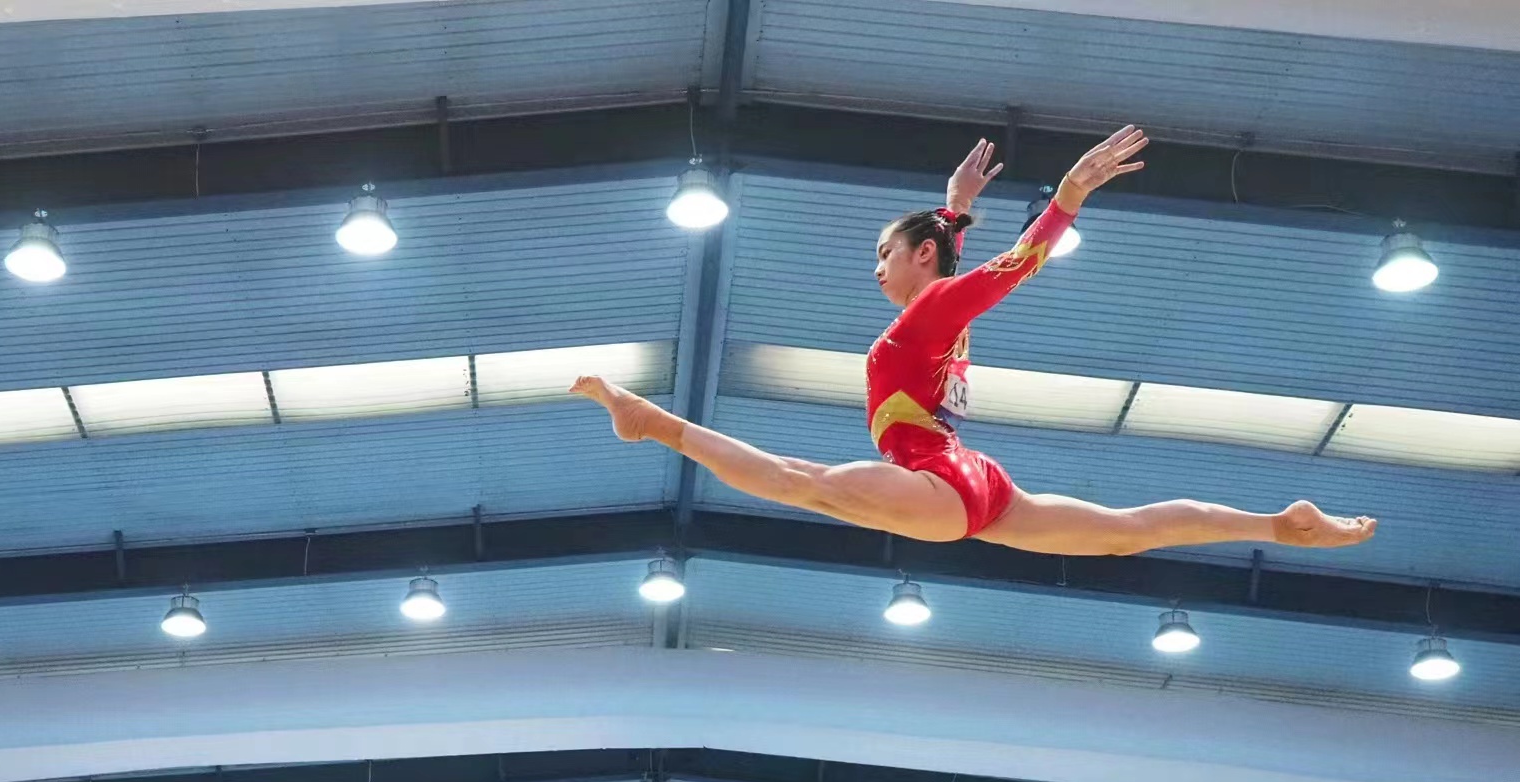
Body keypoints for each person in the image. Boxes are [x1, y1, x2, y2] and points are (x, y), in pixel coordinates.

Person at [571, 127, 1375, 555]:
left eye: (883, 253)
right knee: (1124, 533)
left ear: (919, 256)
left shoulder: (925, 314)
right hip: (975, 484)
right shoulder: (939, 314)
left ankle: (652, 421)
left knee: (799, 482)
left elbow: (1015, 263)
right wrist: (952, 210)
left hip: (937, 480)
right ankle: (1277, 525)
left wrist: (1067, 195)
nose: (875, 269)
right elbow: (951, 276)